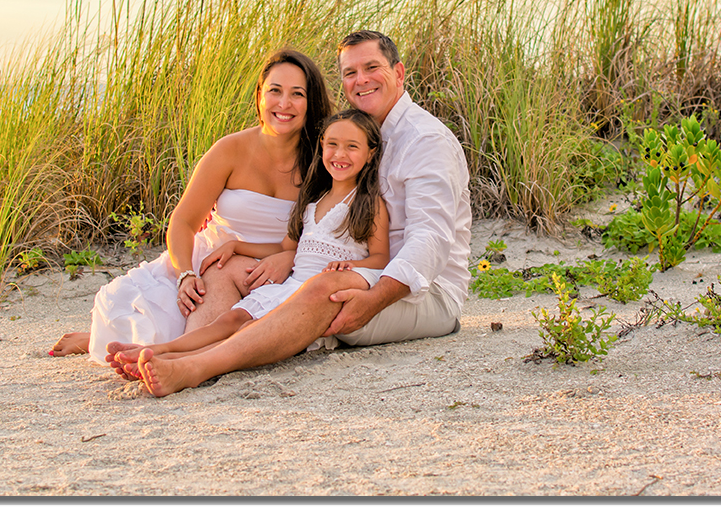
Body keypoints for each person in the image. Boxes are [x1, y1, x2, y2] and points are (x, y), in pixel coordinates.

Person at [134, 30, 472, 396]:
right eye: (349, 73)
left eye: (372, 67)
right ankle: (170, 349)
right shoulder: (354, 135)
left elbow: (430, 241)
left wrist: (372, 301)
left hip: (422, 295)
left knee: (324, 286)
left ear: (399, 73)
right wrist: (254, 249)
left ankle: (197, 367)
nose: (360, 80)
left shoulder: (426, 140)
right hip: (359, 276)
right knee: (236, 270)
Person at [48, 48, 333, 363]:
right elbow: (183, 221)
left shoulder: (325, 161)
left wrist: (288, 255)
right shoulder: (230, 150)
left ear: (311, 103)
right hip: (214, 259)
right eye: (274, 91)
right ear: (259, 96)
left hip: (279, 264)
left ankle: (178, 359)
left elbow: (333, 231)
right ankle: (114, 342)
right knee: (138, 318)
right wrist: (185, 274)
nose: (284, 104)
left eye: (297, 94)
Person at [105, 109, 390, 377]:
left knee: (250, 330)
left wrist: (353, 265)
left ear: (370, 153)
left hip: (313, 293)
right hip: (291, 284)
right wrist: (237, 246)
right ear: (322, 146)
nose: (340, 154)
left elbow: (381, 259)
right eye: (332, 144)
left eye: (352, 147)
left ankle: (177, 362)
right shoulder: (311, 201)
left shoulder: (368, 204)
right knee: (229, 320)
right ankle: (160, 350)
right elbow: (286, 250)